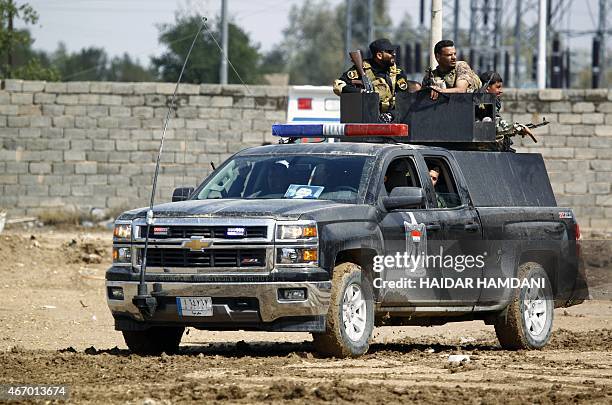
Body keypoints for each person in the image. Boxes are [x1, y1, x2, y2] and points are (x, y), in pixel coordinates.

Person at [333, 38, 417, 114]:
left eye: (393, 52)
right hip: (366, 116)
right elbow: (338, 86)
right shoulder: (362, 69)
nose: (394, 54)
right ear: (379, 55)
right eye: (390, 52)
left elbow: (403, 98)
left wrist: (391, 115)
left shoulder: (398, 73)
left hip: (390, 117)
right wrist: (361, 92)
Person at [479, 70, 534, 151]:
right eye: (497, 87)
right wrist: (519, 128)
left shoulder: (491, 102)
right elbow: (495, 125)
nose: (501, 91)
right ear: (487, 88)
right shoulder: (480, 103)